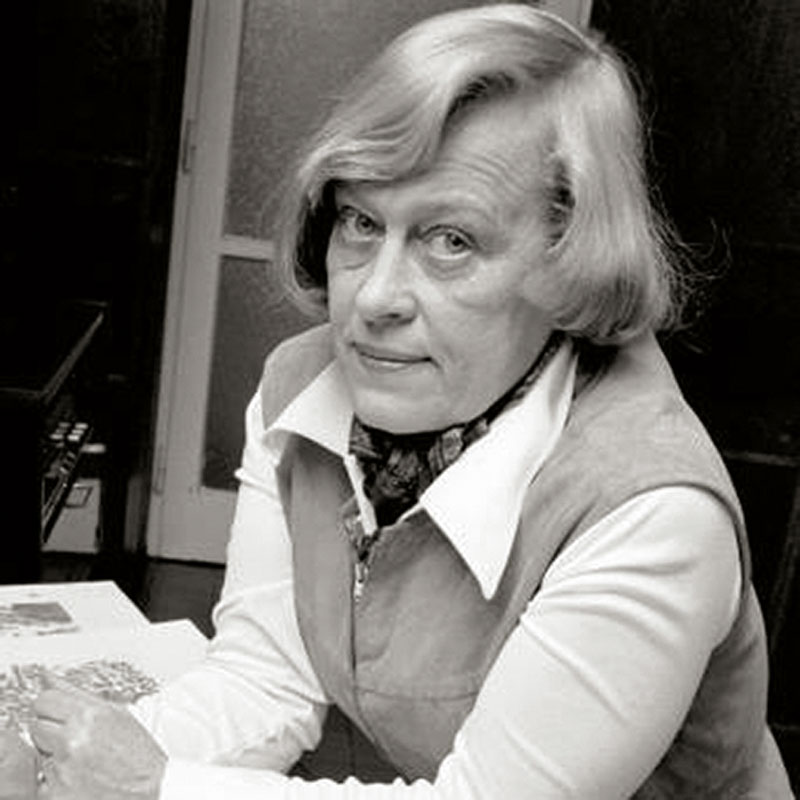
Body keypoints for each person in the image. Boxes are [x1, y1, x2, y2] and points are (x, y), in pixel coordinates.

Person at [5, 4, 793, 798]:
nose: (375, 298)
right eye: (361, 221)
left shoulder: (653, 512)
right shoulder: (297, 389)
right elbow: (263, 680)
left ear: (570, 261)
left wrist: (156, 787)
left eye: (451, 240)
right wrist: (50, 761)